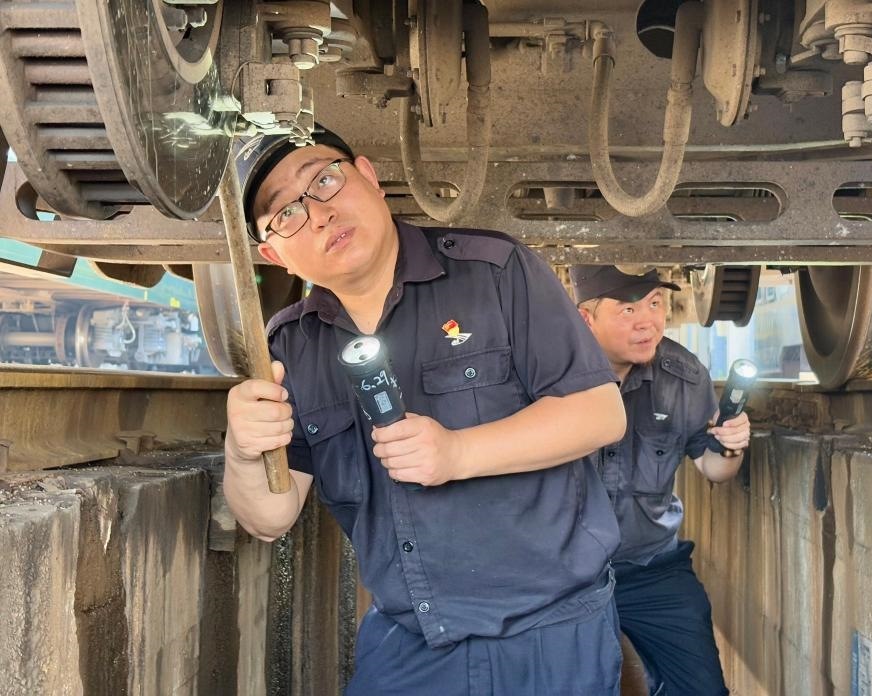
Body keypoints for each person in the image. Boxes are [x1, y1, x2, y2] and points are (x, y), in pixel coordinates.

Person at [222, 127, 629, 696]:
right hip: (411, 642)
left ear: (368, 176)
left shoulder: (495, 271)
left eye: (324, 180)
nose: (316, 214)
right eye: (285, 213)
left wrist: (459, 452)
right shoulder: (291, 347)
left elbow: (600, 413)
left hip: (551, 634)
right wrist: (243, 451)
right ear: (274, 256)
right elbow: (270, 517)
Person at [569, 264, 752, 696]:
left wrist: (732, 445)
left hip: (652, 568)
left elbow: (714, 469)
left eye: (654, 303)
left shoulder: (683, 376)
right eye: (628, 309)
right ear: (586, 318)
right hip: (564, 575)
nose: (647, 321)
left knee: (703, 690)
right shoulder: (549, 375)